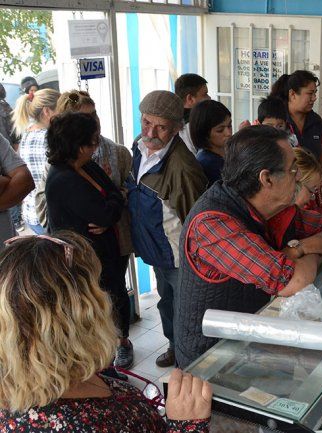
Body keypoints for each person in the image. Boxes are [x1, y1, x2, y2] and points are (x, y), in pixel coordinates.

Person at [0, 232, 212, 432]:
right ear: (78, 319)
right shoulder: (88, 425)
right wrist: (186, 425)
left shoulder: (37, 387)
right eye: (97, 289)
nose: (106, 295)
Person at [174, 126, 322, 368]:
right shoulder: (212, 224)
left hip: (249, 342)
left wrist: (301, 248)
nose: (297, 176)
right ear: (267, 179)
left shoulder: (274, 208)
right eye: (292, 169)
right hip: (209, 359)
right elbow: (291, 281)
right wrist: (312, 254)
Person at [45, 112, 134, 371]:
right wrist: (112, 208)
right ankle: (105, 369)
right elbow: (106, 211)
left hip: (106, 252)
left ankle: (119, 348)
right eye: (92, 143)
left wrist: (112, 207)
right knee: (97, 314)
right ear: (78, 146)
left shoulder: (87, 166)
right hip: (86, 263)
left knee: (115, 298)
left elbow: (114, 197)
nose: (96, 148)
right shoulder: (63, 179)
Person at [125, 90, 208, 368]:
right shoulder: (138, 147)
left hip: (179, 257)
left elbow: (195, 221)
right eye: (146, 122)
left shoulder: (183, 168)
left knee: (186, 309)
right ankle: (175, 346)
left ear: (175, 128)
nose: (151, 132)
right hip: (156, 250)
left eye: (160, 127)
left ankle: (190, 360)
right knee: (167, 302)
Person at [56, 91, 135, 320]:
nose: (92, 122)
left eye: (94, 114)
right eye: (83, 118)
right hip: (82, 247)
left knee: (116, 290)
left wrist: (112, 210)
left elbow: (128, 189)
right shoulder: (61, 163)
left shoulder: (117, 152)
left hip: (116, 237)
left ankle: (122, 341)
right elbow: (45, 202)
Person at [271, 70, 322, 212]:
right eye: (310, 93)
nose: (314, 98)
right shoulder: (277, 121)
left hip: (313, 191)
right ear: (293, 94)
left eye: (315, 93)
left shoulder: (316, 121)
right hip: (286, 193)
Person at [12, 88, 60, 234]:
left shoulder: (27, 134)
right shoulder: (51, 139)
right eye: (61, 110)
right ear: (47, 111)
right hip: (48, 215)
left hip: (31, 213)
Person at [189, 99, 232, 185]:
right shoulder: (208, 164)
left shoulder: (224, 152)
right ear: (204, 133)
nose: (228, 133)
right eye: (220, 130)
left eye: (229, 125)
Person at [175, 73, 210, 154]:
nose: (209, 98)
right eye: (205, 94)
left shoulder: (172, 122)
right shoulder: (194, 125)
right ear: (190, 98)